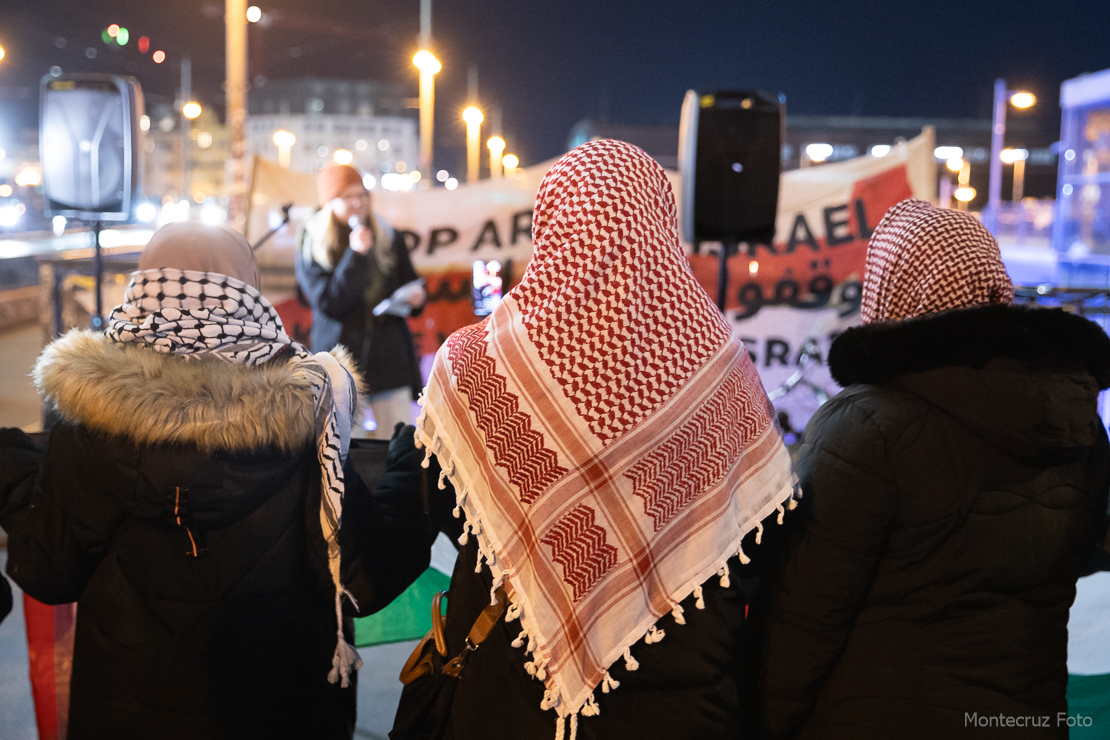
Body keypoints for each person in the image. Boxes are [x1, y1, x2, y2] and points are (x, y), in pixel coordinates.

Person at [401, 139, 798, 739]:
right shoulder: (722, 370)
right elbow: (758, 536)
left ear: (549, 226)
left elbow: (452, 512)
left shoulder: (477, 362)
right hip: (684, 695)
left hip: (511, 690)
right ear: (660, 225)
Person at [0, 222, 437, 740]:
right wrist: (410, 466)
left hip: (125, 716)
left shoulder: (86, 429)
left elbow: (48, 570)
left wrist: (13, 463)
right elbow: (365, 580)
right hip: (282, 714)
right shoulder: (308, 426)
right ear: (247, 291)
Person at [760, 199, 1110, 739]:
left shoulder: (868, 425)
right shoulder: (1074, 419)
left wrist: (765, 722)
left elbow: (802, 620)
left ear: (891, 289)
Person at [296, 164, 425, 439]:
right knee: (346, 444)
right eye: (348, 196)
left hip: (389, 357)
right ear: (329, 201)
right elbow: (329, 302)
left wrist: (415, 298)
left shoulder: (387, 235)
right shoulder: (313, 242)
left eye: (363, 195)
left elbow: (409, 280)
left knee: (398, 440)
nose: (358, 202)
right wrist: (355, 256)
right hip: (340, 359)